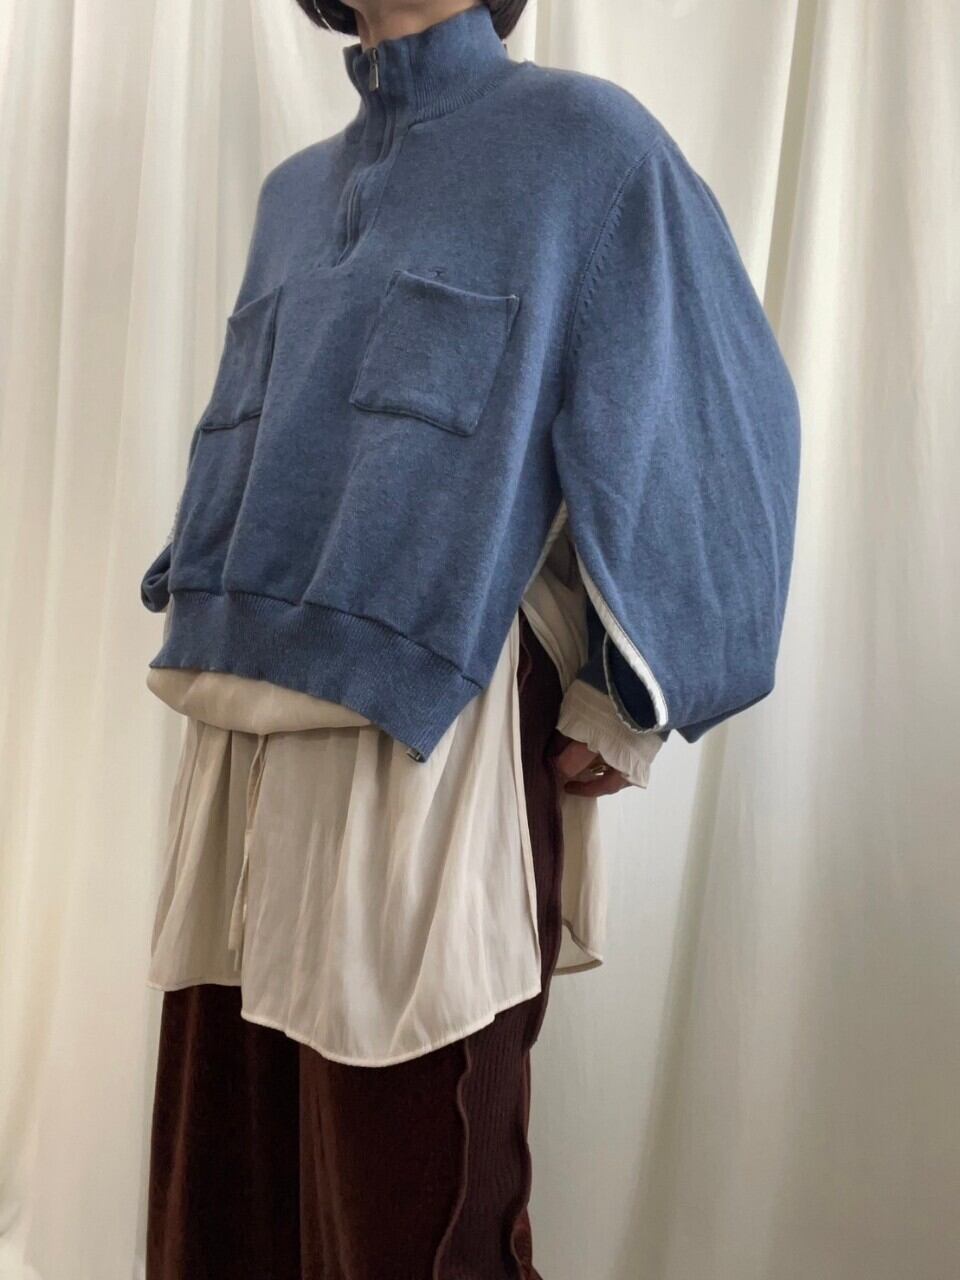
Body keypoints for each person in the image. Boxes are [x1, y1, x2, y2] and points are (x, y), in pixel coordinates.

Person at [140, 1, 801, 1276]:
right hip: (234, 762)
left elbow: (725, 428)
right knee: (232, 1196)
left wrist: (624, 696)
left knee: (409, 1207)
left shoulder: (589, 148)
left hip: (423, 768)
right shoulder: (293, 196)